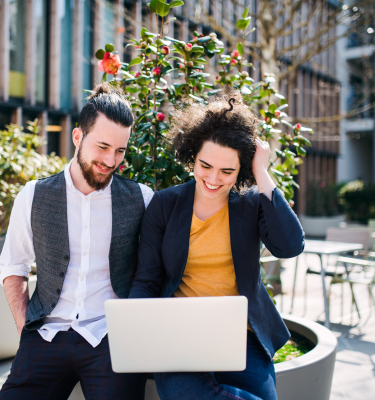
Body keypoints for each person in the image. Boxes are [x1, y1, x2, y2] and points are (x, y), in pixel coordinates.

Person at [128, 93, 304, 400]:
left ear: (242, 171)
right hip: (178, 334)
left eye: (227, 171)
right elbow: (146, 279)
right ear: (193, 155)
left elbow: (289, 245)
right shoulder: (165, 204)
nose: (212, 179)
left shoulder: (250, 203)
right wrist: (141, 331)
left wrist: (262, 172)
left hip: (240, 336)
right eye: (205, 166)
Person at [0, 84, 153, 400]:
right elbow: (13, 265)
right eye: (103, 147)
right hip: (45, 333)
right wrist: (24, 329)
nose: (111, 160)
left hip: (110, 336)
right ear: (78, 137)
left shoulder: (142, 198)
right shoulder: (33, 195)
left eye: (120, 151)